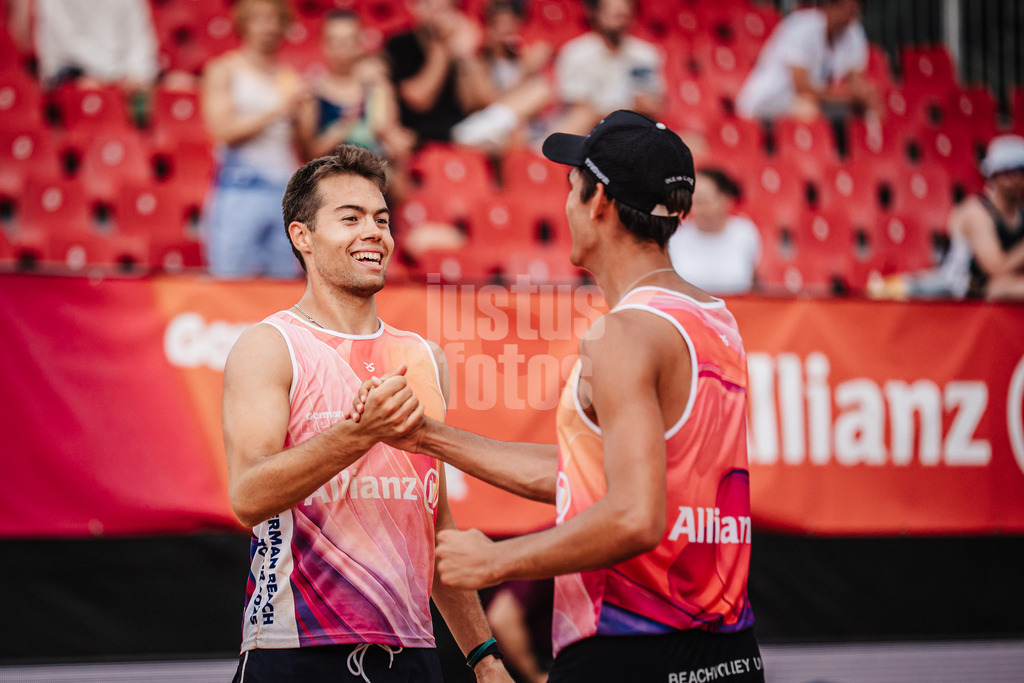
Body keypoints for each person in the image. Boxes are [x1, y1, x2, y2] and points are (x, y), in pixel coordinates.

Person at [355, 111, 764, 681]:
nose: (566, 206)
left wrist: (499, 560)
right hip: (728, 651)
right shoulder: (716, 321)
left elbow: (635, 517)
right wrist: (426, 436)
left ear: (598, 202)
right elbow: (590, 477)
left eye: (572, 189)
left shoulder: (624, 333)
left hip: (629, 650)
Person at [221, 144, 514, 682]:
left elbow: (435, 522)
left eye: (381, 219)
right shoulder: (269, 346)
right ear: (301, 237)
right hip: (298, 650)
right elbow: (248, 495)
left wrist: (483, 655)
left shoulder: (424, 358)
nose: (374, 232)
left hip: (413, 653)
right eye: (350, 218)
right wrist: (359, 434)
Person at [200, 0, 306, 278]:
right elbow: (222, 130)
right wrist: (277, 111)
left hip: (283, 192)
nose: (268, 27)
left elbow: (303, 144)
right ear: (244, 23)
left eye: (275, 20)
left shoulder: (289, 77)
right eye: (260, 19)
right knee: (229, 282)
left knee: (283, 285)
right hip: (239, 189)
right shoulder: (224, 70)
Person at [872, 134, 1024, 301]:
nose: (1016, 179)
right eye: (1008, 173)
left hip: (986, 289)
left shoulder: (1018, 213)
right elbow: (996, 268)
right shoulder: (977, 212)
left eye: (1020, 171)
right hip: (954, 288)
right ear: (993, 175)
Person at [735, 0, 879, 123]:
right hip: (765, 102)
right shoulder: (802, 27)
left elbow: (857, 82)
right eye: (846, 8)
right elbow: (802, 88)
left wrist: (865, 98)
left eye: (854, 11)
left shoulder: (852, 32)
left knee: (870, 112)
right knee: (808, 109)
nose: (849, 16)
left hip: (803, 102)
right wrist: (847, 96)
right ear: (830, 6)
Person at [297, 10, 413, 162]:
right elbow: (308, 155)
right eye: (334, 41)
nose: (341, 49)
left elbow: (393, 142)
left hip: (374, 178)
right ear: (323, 44)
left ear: (359, 43)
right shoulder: (312, 95)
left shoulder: (377, 89)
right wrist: (342, 128)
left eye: (348, 41)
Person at [448, 0, 554, 151]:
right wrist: (524, 72)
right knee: (537, 91)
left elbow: (538, 109)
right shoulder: (476, 62)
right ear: (488, 26)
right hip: (475, 125)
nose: (504, 31)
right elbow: (487, 100)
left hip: (506, 131)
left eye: (509, 25)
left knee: (540, 90)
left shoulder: (521, 59)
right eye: (497, 24)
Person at [384, 0, 494, 145]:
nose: (441, 16)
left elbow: (482, 102)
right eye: (434, 7)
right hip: (420, 137)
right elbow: (419, 99)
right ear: (417, 8)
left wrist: (466, 56)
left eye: (446, 8)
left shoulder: (459, 47)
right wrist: (441, 46)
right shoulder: (401, 43)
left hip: (462, 134)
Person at [552, 0, 665, 136]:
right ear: (596, 13)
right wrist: (629, 108)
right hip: (589, 132)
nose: (619, 15)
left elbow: (651, 106)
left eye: (623, 12)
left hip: (633, 131)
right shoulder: (575, 53)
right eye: (612, 11)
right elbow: (580, 111)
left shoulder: (645, 54)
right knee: (579, 120)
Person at [667, 168, 762, 295]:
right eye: (694, 202)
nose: (697, 210)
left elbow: (756, 279)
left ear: (725, 200)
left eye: (703, 201)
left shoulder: (745, 232)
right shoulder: (676, 236)